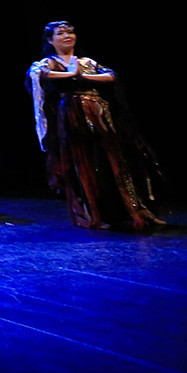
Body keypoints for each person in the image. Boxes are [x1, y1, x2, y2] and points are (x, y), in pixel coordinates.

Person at [26, 21, 166, 230]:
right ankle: (94, 214)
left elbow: (111, 75)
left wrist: (83, 75)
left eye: (70, 32)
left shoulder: (87, 62)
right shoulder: (48, 63)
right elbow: (39, 75)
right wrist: (72, 74)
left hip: (99, 113)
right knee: (84, 164)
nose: (67, 36)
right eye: (60, 33)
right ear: (50, 40)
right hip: (73, 116)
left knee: (117, 161)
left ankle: (136, 210)